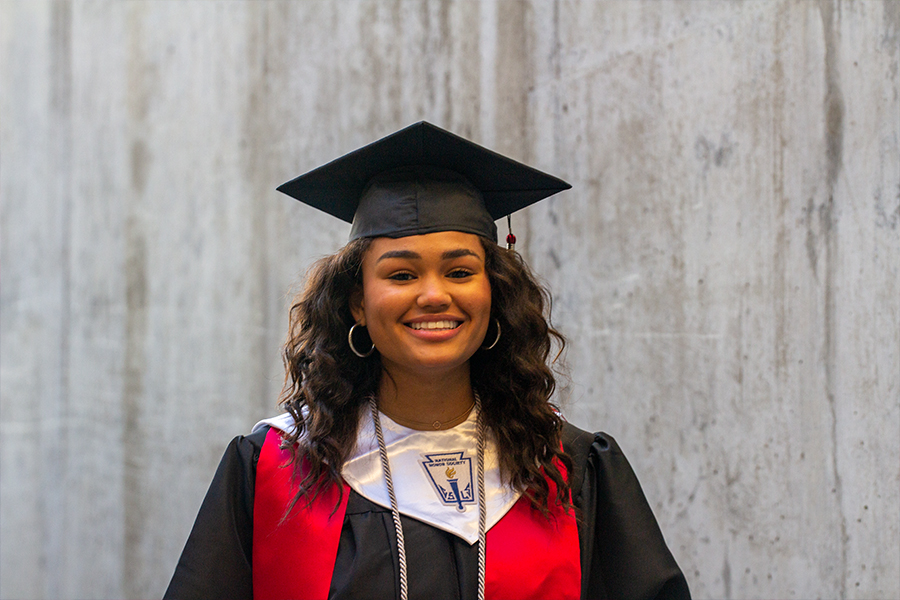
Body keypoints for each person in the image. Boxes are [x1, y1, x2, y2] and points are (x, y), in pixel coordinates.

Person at [164, 122, 690, 600]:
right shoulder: (274, 470)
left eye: (460, 272)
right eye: (401, 275)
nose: (435, 295)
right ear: (357, 303)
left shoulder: (569, 467)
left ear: (494, 293)